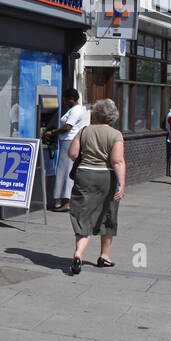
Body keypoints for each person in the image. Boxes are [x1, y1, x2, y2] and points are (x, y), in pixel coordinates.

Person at [67, 98, 125, 274]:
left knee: (83, 214)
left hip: (84, 174)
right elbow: (117, 161)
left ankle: (78, 253)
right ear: (113, 116)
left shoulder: (84, 131)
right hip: (106, 177)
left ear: (95, 114)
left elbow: (72, 153)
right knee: (107, 213)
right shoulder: (115, 135)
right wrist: (122, 184)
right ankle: (104, 257)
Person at [51, 90, 89, 211]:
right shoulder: (78, 109)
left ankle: (65, 200)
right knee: (65, 169)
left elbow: (68, 127)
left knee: (65, 170)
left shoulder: (76, 110)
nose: (65, 102)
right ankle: (62, 199)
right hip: (69, 141)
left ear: (72, 98)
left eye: (67, 99)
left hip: (69, 141)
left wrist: (52, 132)